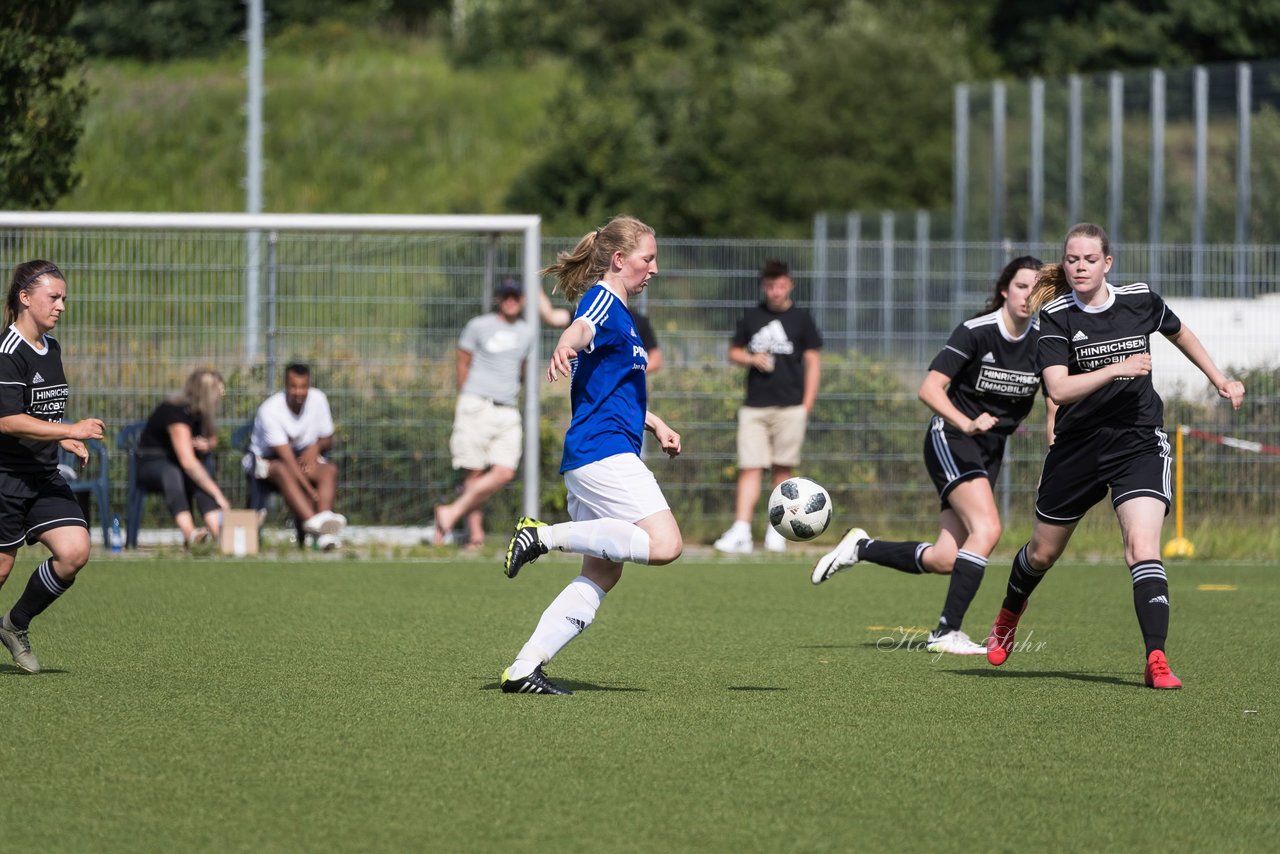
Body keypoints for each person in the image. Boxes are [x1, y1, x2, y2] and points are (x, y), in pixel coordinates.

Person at [983, 223, 1245, 689]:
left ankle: (1157, 658)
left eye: (1089, 259)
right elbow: (1059, 389)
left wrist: (1218, 379)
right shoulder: (1057, 315)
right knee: (1042, 553)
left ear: (1108, 263)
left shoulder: (1139, 299)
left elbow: (1180, 332)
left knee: (1142, 548)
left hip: (1138, 440)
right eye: (1071, 259)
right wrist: (1116, 368)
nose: (1079, 266)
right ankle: (1007, 615)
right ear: (1064, 264)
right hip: (1079, 446)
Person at [810, 256, 1055, 656]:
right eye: (1022, 285)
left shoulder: (1043, 341)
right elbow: (929, 389)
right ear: (1004, 290)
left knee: (945, 558)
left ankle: (861, 548)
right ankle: (947, 631)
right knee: (988, 530)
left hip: (990, 450)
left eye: (1037, 288)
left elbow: (1054, 399)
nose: (1029, 295)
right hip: (952, 437)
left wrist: (1054, 448)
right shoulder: (977, 331)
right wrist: (967, 422)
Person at [498, 214, 684, 695]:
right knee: (665, 545)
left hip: (598, 451)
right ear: (620, 260)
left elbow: (612, 389)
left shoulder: (622, 315)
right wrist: (563, 342)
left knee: (602, 573)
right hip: (604, 454)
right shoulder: (603, 299)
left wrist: (655, 421)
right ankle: (544, 535)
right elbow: (580, 328)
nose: (654, 268)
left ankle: (524, 667)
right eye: (648, 258)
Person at [0, 260, 106, 673]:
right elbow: (7, 419)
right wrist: (69, 426)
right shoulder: (8, 352)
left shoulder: (52, 347)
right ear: (25, 298)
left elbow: (36, 413)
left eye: (64, 298)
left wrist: (63, 436)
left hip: (42, 477)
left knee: (75, 551)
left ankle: (14, 625)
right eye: (54, 297)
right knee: (3, 567)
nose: (61, 306)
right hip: (6, 479)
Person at [713, 260, 822, 554]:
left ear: (790, 284)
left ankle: (779, 530)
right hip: (755, 406)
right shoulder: (752, 315)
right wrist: (751, 358)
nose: (776, 291)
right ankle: (742, 530)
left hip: (791, 406)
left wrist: (807, 403)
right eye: (771, 286)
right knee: (750, 467)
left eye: (781, 285)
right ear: (764, 286)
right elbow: (733, 352)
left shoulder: (802, 319)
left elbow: (813, 362)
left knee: (782, 469)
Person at [432, 278, 535, 549]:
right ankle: (475, 537)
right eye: (506, 295)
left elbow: (522, 368)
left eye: (515, 295)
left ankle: (449, 513)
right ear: (499, 298)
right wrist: (466, 398)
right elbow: (462, 362)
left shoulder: (527, 332)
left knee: (504, 472)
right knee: (474, 472)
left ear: (522, 299)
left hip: (508, 407)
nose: (510, 300)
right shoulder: (478, 326)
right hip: (477, 403)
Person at [246, 363, 346, 550]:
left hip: (300, 459)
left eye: (304, 387)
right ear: (285, 385)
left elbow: (327, 439)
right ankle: (320, 529)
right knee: (284, 471)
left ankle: (322, 524)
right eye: (294, 387)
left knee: (329, 470)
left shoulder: (319, 399)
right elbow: (286, 459)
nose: (299, 392)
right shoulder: (270, 410)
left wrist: (315, 448)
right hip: (267, 463)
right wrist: (310, 492)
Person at [136, 368, 233, 547]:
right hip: (151, 462)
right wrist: (219, 495)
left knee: (199, 481)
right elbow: (188, 462)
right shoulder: (175, 413)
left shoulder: (200, 412)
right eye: (219, 392)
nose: (221, 397)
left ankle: (221, 537)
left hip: (177, 464)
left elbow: (213, 438)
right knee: (175, 473)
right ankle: (191, 535)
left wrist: (208, 443)